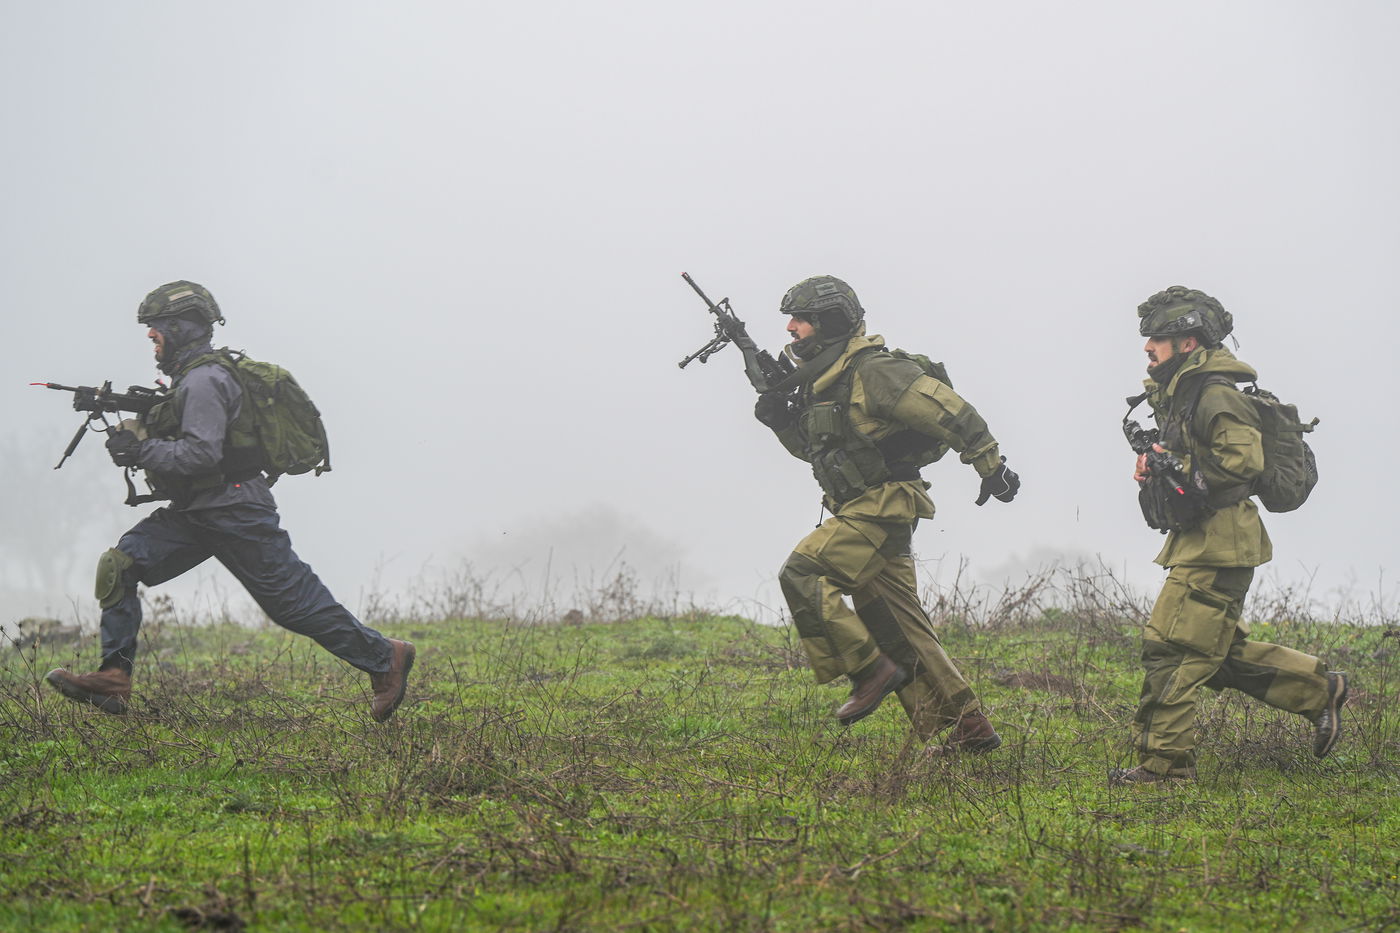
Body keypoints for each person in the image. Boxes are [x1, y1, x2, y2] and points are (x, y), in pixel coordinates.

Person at [45, 281, 415, 721]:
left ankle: (385, 657)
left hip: (235, 510)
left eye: (158, 325)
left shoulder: (205, 380)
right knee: (121, 564)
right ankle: (113, 677)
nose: (150, 334)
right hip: (197, 510)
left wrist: (140, 450)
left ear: (183, 326)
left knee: (293, 606)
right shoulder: (189, 378)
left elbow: (201, 454)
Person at [754, 275, 1019, 751]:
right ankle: (969, 725)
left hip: (883, 505)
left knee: (803, 573)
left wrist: (991, 467)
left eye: (801, 319)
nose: (791, 328)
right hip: (861, 506)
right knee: (897, 624)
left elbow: (953, 412)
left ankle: (868, 671)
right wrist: (781, 422)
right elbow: (818, 452)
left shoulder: (875, 371)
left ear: (829, 322)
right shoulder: (826, 380)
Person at [1111, 286, 1346, 785]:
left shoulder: (1216, 394)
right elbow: (1195, 460)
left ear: (1188, 343)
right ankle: (1318, 690)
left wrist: (1175, 466)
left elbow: (1242, 461)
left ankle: (1166, 767)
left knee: (1173, 650)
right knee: (1214, 655)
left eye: (1158, 339)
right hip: (1203, 539)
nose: (1148, 348)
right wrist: (1157, 461)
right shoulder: (1185, 392)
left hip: (1220, 543)